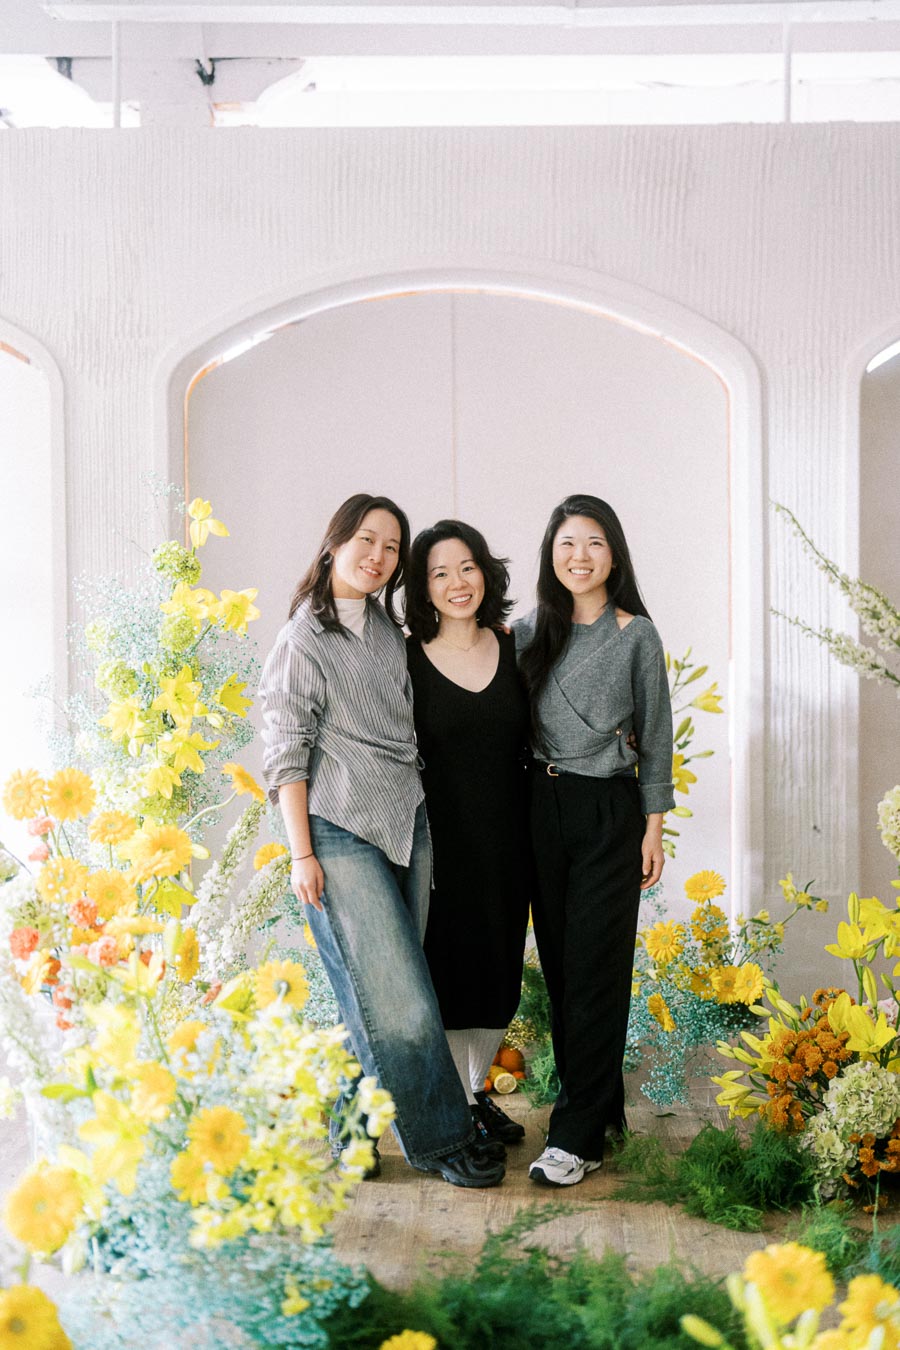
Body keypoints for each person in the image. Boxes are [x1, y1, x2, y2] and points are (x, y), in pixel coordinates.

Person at [258, 493, 504, 1189]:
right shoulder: (304, 638)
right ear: (334, 543)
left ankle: (353, 1134)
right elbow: (284, 754)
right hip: (338, 832)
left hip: (406, 822)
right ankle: (442, 1140)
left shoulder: (386, 630)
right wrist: (302, 854)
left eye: (392, 547)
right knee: (401, 999)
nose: (378, 556)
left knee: (368, 992)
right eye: (366, 540)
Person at [515, 493, 674, 1187]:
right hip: (537, 806)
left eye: (594, 543)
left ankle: (573, 1136)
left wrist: (654, 827)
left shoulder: (636, 635)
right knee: (562, 970)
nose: (579, 557)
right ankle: (602, 1113)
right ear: (551, 555)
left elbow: (657, 736)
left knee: (596, 971)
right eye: (567, 544)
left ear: (614, 555)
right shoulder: (527, 632)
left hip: (609, 810)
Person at [405, 520, 531, 1156]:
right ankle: (452, 1106)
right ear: (423, 588)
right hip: (436, 849)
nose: (457, 582)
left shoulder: (516, 648)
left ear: (486, 572)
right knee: (446, 975)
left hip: (509, 844)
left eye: (467, 567)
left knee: (498, 973)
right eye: (439, 572)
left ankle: (473, 1092)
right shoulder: (405, 658)